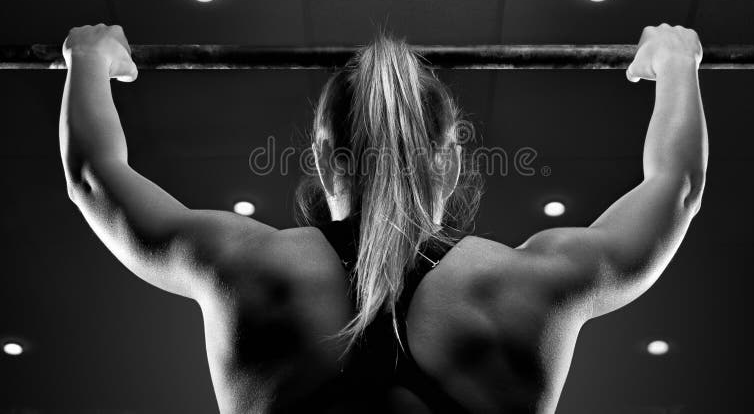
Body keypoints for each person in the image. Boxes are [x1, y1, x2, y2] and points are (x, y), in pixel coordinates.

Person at [59, 23, 707, 413]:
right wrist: (677, 62)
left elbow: (93, 174)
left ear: (321, 154)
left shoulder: (252, 266)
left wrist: (89, 58)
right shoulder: (524, 283)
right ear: (449, 162)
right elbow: (675, 187)